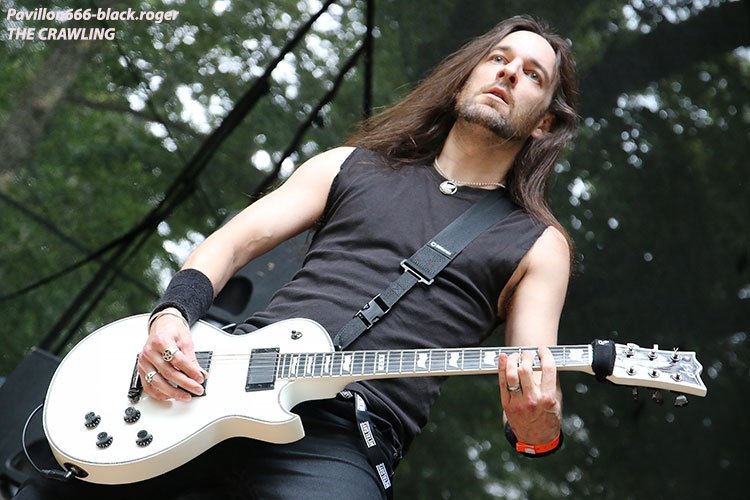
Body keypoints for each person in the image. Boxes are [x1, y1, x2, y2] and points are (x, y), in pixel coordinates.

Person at [15, 14, 579, 500]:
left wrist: (537, 428)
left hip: (347, 434)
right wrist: (171, 316)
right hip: (218, 386)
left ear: (544, 122)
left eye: (533, 74)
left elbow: (533, 393)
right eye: (498, 58)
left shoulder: (537, 242)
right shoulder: (351, 165)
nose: (509, 72)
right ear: (464, 79)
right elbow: (232, 243)